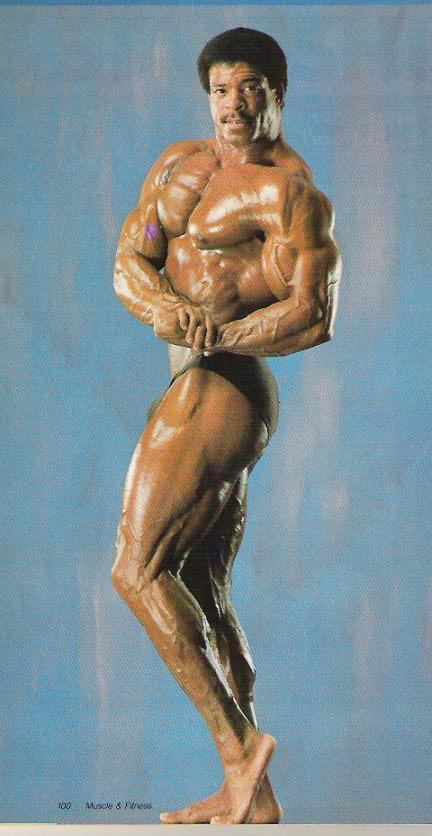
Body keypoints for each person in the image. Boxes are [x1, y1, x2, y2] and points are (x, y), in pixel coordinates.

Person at [111, 27, 341, 825]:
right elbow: (132, 258)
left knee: (136, 570)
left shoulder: (290, 191)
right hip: (192, 376)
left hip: (227, 385)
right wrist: (162, 308)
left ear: (278, 95)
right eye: (220, 90)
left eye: (250, 89)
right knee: (204, 587)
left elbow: (313, 313)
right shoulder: (179, 166)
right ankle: (254, 793)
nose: (233, 105)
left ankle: (242, 752)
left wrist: (223, 334)